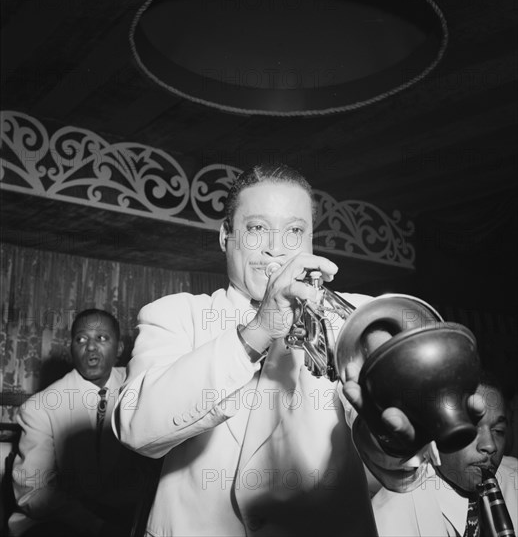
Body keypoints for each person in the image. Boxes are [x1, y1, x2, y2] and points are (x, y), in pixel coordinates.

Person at [113, 164, 484, 537]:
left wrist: (394, 442)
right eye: (258, 228)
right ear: (226, 236)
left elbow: (395, 463)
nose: (277, 247)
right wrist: (257, 331)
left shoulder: (359, 316)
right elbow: (137, 427)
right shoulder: (176, 314)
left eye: (294, 230)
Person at [9, 309, 142, 537]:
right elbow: (33, 491)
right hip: (66, 519)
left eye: (101, 338)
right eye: (81, 339)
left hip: (131, 515)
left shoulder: (140, 386)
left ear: (119, 349)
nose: (90, 347)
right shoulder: (40, 408)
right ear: (71, 348)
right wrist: (96, 526)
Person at [372, 373, 518, 536]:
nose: (490, 446)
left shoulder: (514, 480)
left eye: (498, 431)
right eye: (471, 427)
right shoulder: (386, 521)